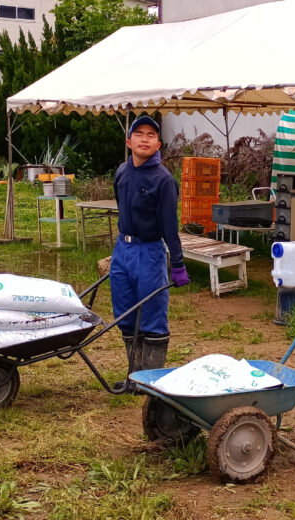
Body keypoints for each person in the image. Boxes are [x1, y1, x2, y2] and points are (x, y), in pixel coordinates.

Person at [110, 115, 190, 393]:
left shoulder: (163, 180)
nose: (144, 139)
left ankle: (150, 382)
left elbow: (169, 226)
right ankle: (134, 377)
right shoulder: (122, 172)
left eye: (151, 135)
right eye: (139, 134)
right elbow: (122, 206)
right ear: (128, 141)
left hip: (149, 252)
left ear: (158, 144)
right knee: (126, 315)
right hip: (123, 249)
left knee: (152, 316)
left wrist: (177, 263)